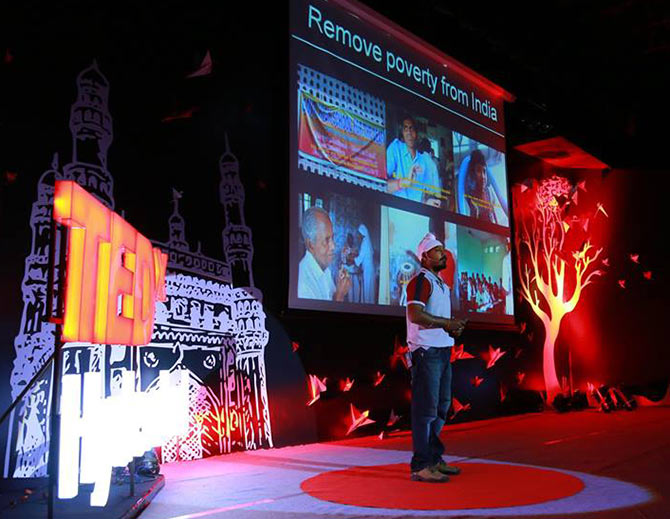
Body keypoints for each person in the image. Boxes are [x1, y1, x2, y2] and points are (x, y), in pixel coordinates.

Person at [405, 232, 467, 483]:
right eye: (438, 250)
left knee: (441, 408)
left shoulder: (439, 282)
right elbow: (415, 315)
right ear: (425, 257)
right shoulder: (420, 280)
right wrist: (447, 323)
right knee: (425, 411)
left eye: (443, 249)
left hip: (441, 351)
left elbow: (438, 320)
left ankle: (432, 458)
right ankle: (420, 465)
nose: (444, 254)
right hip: (426, 351)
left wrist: (452, 328)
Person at [298, 207, 351, 301]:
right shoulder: (303, 284)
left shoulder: (325, 270)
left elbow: (331, 300)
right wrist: (340, 295)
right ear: (311, 245)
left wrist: (339, 286)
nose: (333, 246)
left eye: (332, 238)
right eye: (326, 240)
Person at [386, 116, 441, 206]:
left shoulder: (426, 160)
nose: (409, 133)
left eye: (412, 129)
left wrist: (428, 202)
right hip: (396, 212)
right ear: (402, 133)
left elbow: (430, 193)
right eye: (405, 129)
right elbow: (382, 186)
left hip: (418, 214)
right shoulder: (395, 149)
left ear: (417, 133)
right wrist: (405, 182)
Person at [464, 150, 496, 223]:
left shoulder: (490, 194)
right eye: (478, 171)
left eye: (484, 171)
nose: (483, 177)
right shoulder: (470, 201)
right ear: (472, 174)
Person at [354, 224, 375, 303]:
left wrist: (352, 259)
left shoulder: (365, 243)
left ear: (362, 233)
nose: (358, 235)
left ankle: (367, 305)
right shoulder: (366, 241)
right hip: (368, 269)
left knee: (367, 288)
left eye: (358, 233)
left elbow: (360, 258)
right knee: (368, 289)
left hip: (367, 270)